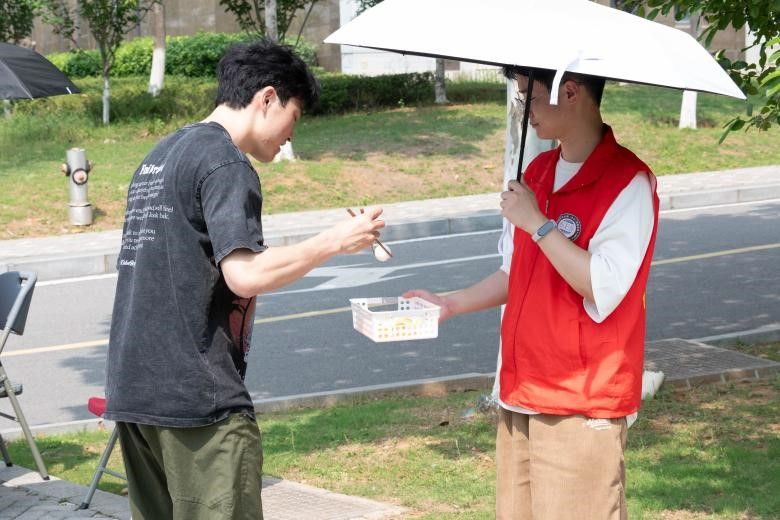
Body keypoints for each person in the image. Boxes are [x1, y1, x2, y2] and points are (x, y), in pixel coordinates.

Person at [103, 40, 384, 520]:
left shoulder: (161, 154)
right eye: (294, 117)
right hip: (197, 400)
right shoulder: (226, 162)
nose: (290, 137)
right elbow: (245, 274)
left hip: (135, 393)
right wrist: (334, 241)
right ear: (267, 98)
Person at [406, 66, 659, 519]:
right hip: (521, 390)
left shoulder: (627, 183)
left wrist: (538, 224)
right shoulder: (537, 174)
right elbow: (515, 272)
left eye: (530, 96)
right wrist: (450, 303)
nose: (525, 110)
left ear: (571, 92)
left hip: (580, 401)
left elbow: (600, 285)